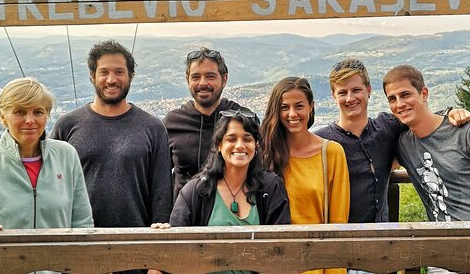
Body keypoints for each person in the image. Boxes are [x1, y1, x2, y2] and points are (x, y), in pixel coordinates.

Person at [383, 65, 470, 274]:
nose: (399, 104)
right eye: (392, 99)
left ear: (424, 93)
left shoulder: (468, 132)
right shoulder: (404, 144)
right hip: (444, 257)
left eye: (405, 94)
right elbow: (374, 165)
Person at [51, 40, 171, 274]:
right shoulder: (68, 126)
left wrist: (157, 263)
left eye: (119, 72)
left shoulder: (152, 128)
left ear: (130, 76)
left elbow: (161, 195)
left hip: (137, 252)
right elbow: (53, 188)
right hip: (79, 251)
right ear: (92, 76)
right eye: (104, 72)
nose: (111, 79)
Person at [314, 58, 470, 225]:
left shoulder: (387, 128)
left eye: (356, 90)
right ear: (333, 96)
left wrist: (449, 113)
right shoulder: (321, 141)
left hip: (383, 235)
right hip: (340, 236)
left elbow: (421, 118)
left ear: (368, 90)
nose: (350, 98)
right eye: (342, 92)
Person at [152, 110, 291, 274]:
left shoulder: (271, 188)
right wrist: (163, 235)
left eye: (247, 139)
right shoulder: (196, 192)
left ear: (256, 145)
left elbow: (281, 250)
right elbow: (175, 248)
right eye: (231, 139)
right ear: (219, 145)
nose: (240, 145)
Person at [0, 77, 93, 233]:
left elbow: (82, 223)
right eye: (20, 112)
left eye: (38, 112)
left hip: (60, 249)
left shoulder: (66, 155)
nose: (30, 120)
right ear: (3, 117)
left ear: (47, 115)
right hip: (2, 249)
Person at [260, 77, 349, 274]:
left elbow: (338, 224)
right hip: (274, 264)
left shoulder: (331, 153)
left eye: (299, 106)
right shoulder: (266, 154)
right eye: (284, 107)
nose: (292, 114)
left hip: (316, 265)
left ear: (311, 107)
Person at [164, 47, 258, 199]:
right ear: (187, 80)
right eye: (196, 77)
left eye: (210, 76)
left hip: (234, 209)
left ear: (224, 79)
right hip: (184, 210)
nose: (203, 83)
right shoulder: (173, 123)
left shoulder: (242, 119)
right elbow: (159, 179)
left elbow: (259, 169)